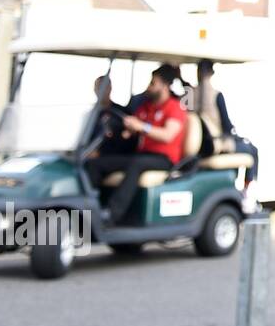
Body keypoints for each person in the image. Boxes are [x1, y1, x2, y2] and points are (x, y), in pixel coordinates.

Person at [86, 65, 187, 226]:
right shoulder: (147, 107)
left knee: (136, 164)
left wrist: (142, 127)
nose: (149, 87)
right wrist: (127, 130)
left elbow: (168, 135)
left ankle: (112, 214)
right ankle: (89, 207)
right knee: (98, 163)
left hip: (164, 159)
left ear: (165, 86)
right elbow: (132, 126)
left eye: (153, 83)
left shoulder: (174, 108)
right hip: (143, 154)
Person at [193, 59, 259, 195]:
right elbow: (226, 125)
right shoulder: (216, 95)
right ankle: (247, 191)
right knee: (251, 149)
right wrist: (234, 133)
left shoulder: (191, 93)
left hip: (198, 142)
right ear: (211, 73)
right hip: (215, 142)